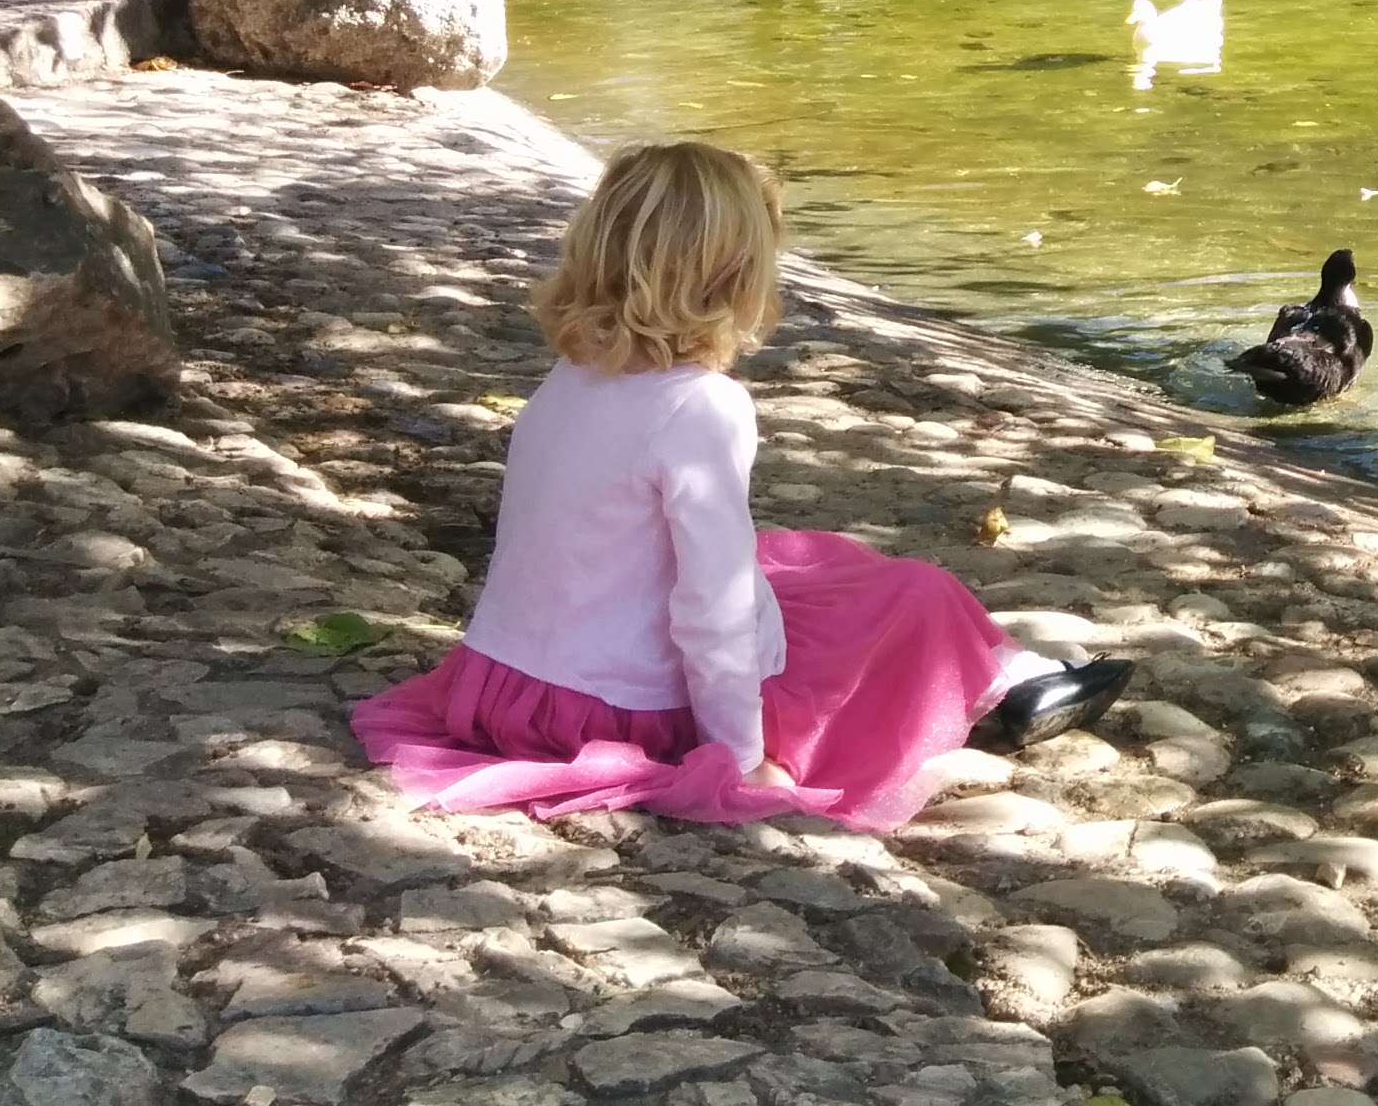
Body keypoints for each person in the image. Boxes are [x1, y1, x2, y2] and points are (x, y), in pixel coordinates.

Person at [353, 140, 1130, 829]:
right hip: (609, 711)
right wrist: (740, 755)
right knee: (910, 595)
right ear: (736, 277)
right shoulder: (701, 406)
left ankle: (1019, 672)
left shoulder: (576, 372)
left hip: (500, 686)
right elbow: (712, 609)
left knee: (801, 559)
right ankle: (1012, 678)